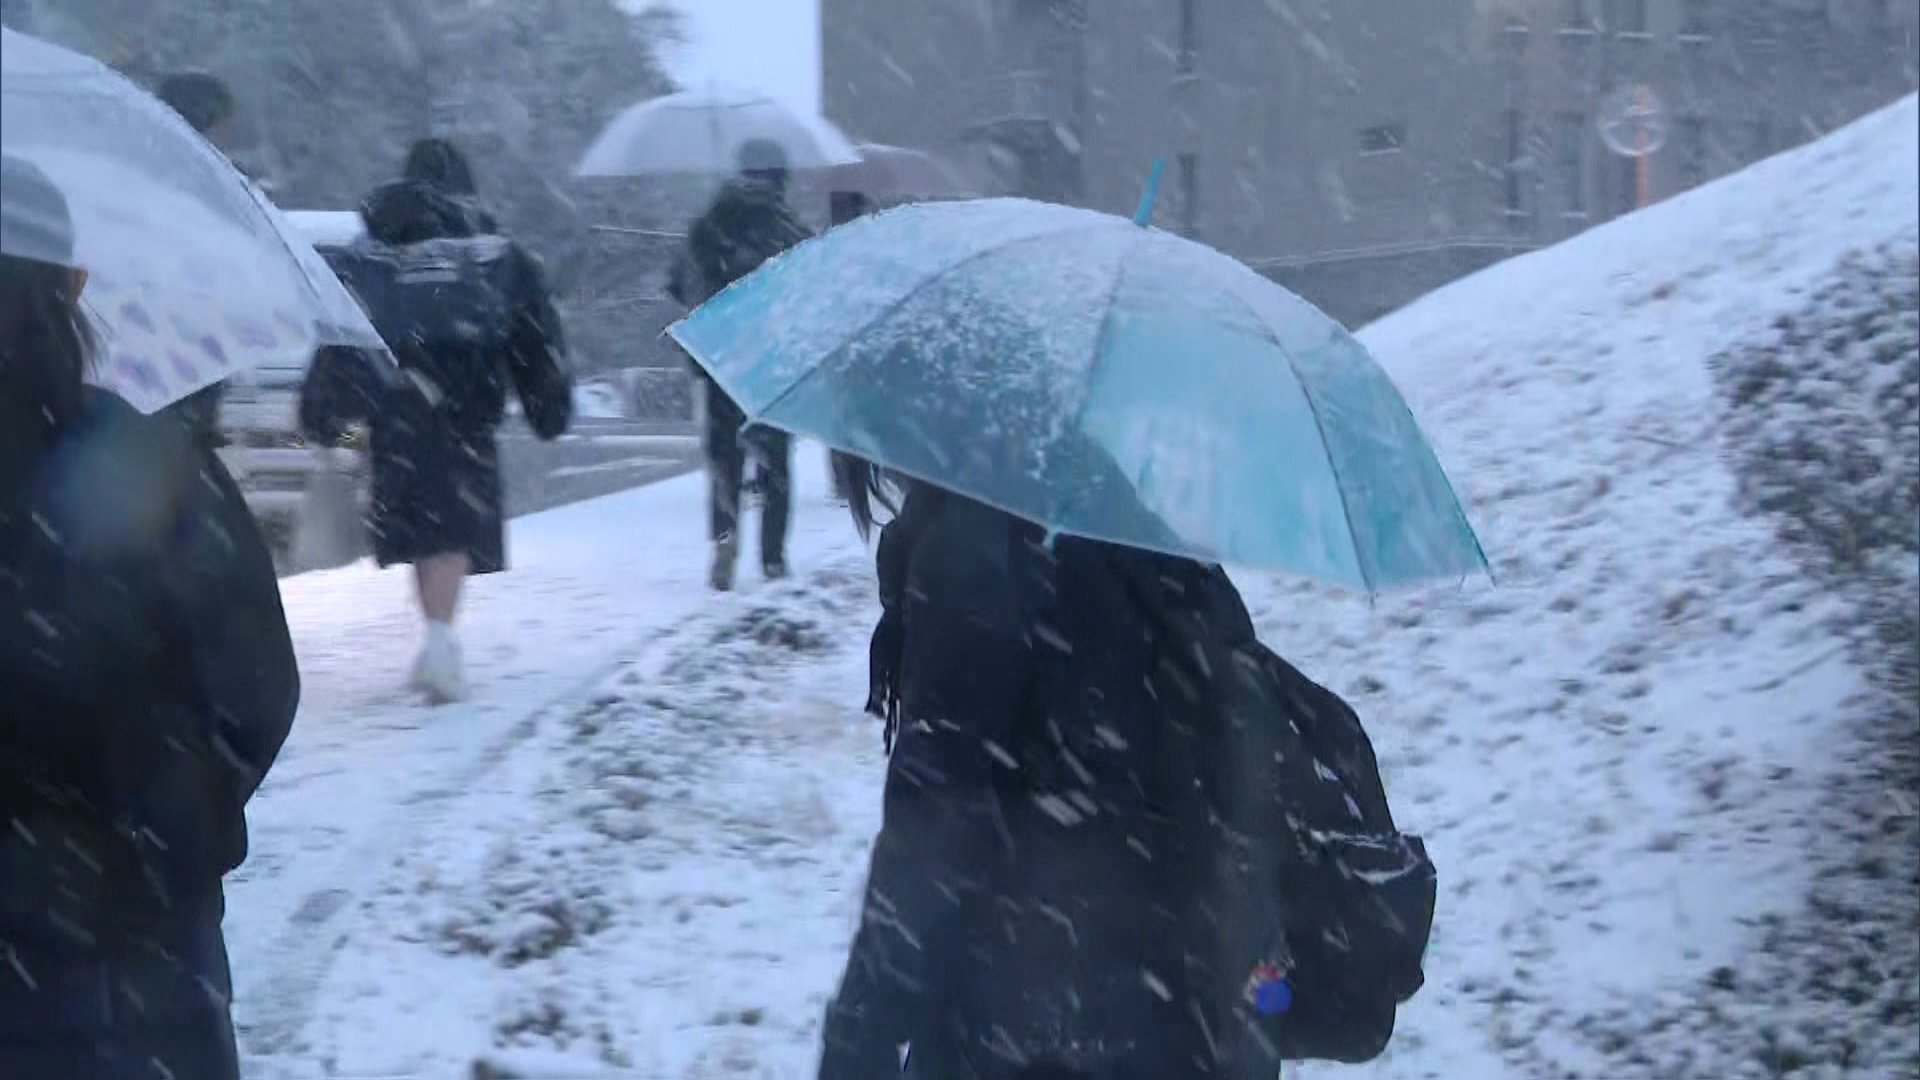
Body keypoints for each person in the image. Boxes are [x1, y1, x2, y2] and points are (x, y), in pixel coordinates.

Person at [818, 456, 1435, 1078]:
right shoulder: (1120, 519)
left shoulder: (973, 552)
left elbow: (933, 837)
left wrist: (856, 1044)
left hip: (1052, 1029)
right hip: (1198, 1015)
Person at [0, 154, 299, 1080]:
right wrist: (158, 836)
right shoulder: (148, 458)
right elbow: (256, 691)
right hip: (142, 954)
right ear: (74, 282)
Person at [303, 137, 572, 704]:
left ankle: (435, 638)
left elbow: (342, 333)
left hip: (393, 416)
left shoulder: (371, 252)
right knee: (450, 532)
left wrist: (327, 411)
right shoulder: (487, 252)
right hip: (465, 412)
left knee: (422, 530)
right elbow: (532, 334)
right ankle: (443, 641)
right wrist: (549, 404)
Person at [675, 138, 812, 590]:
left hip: (721, 360)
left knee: (725, 462)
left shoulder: (710, 223)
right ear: (779, 176)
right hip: (772, 363)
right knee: (775, 465)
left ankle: (725, 543)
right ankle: (772, 557)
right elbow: (813, 285)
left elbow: (678, 283)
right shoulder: (787, 227)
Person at [155, 71, 242, 452]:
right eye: (221, 122)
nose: (227, 134)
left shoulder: (148, 168)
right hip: (179, 359)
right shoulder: (198, 182)